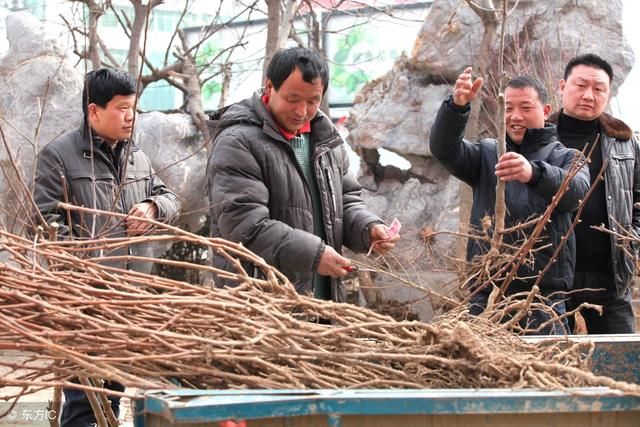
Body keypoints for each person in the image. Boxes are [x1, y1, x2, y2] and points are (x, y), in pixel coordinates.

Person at [33, 68, 181, 427]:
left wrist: (153, 207)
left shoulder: (136, 157)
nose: (131, 117)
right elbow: (44, 223)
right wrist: (88, 264)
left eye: (134, 108)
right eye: (121, 108)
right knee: (85, 404)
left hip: (129, 303)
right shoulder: (59, 157)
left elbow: (169, 197)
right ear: (94, 111)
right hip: (84, 306)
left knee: (113, 397)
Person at [207, 47, 399, 301]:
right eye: (292, 98)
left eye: (312, 101)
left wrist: (368, 228)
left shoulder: (326, 140)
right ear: (269, 87)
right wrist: (315, 254)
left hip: (323, 298)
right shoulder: (238, 141)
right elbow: (245, 225)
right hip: (261, 302)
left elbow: (346, 201)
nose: (301, 111)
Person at [429, 69, 589, 334]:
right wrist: (456, 107)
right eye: (509, 108)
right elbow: (443, 149)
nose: (515, 116)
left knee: (546, 373)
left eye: (525, 107)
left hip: (543, 297)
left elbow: (577, 192)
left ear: (546, 109)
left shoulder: (568, 158)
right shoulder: (487, 153)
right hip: (487, 293)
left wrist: (534, 173)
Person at [549, 53, 639, 334]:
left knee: (622, 364)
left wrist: (632, 240)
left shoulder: (626, 143)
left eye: (598, 88)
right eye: (580, 85)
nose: (589, 95)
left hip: (611, 275)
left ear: (608, 93)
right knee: (548, 365)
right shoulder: (541, 138)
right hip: (550, 276)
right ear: (563, 86)